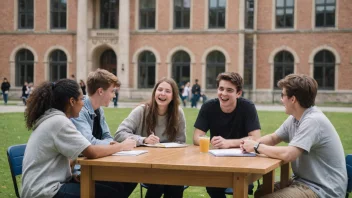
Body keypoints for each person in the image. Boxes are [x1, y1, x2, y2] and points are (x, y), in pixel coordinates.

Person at [21, 79, 137, 198]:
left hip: (49, 185)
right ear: (72, 101)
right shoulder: (59, 122)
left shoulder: (54, 118)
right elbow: (91, 152)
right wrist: (121, 146)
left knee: (116, 187)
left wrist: (71, 175)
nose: (83, 103)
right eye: (81, 99)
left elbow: (66, 158)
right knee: (111, 193)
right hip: (44, 191)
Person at [241, 74, 348, 198]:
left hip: (323, 189)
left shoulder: (313, 120)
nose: (281, 100)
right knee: (260, 192)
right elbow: (273, 138)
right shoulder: (295, 118)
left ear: (293, 99)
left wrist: (256, 146)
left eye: (283, 95)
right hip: (303, 182)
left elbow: (289, 154)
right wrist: (249, 145)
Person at [114, 77, 186, 198]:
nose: (163, 93)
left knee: (175, 182)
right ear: (154, 93)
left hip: (169, 165)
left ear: (173, 96)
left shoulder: (178, 113)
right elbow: (119, 134)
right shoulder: (141, 111)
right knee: (159, 180)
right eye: (160, 89)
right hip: (144, 165)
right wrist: (143, 139)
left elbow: (181, 142)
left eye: (168, 91)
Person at [193, 72, 261, 198]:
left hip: (243, 162)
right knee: (212, 186)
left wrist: (228, 143)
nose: (223, 94)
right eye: (221, 89)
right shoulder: (208, 107)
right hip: (216, 162)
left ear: (238, 93)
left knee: (241, 186)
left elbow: (256, 138)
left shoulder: (247, 107)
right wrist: (211, 142)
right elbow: (197, 137)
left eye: (229, 90)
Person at [71, 69, 137, 195]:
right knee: (117, 188)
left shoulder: (99, 110)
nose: (114, 95)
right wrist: (119, 146)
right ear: (100, 91)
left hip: (97, 163)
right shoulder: (80, 111)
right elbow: (89, 144)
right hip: (80, 169)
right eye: (112, 91)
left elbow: (108, 137)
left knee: (132, 177)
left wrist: (110, 145)